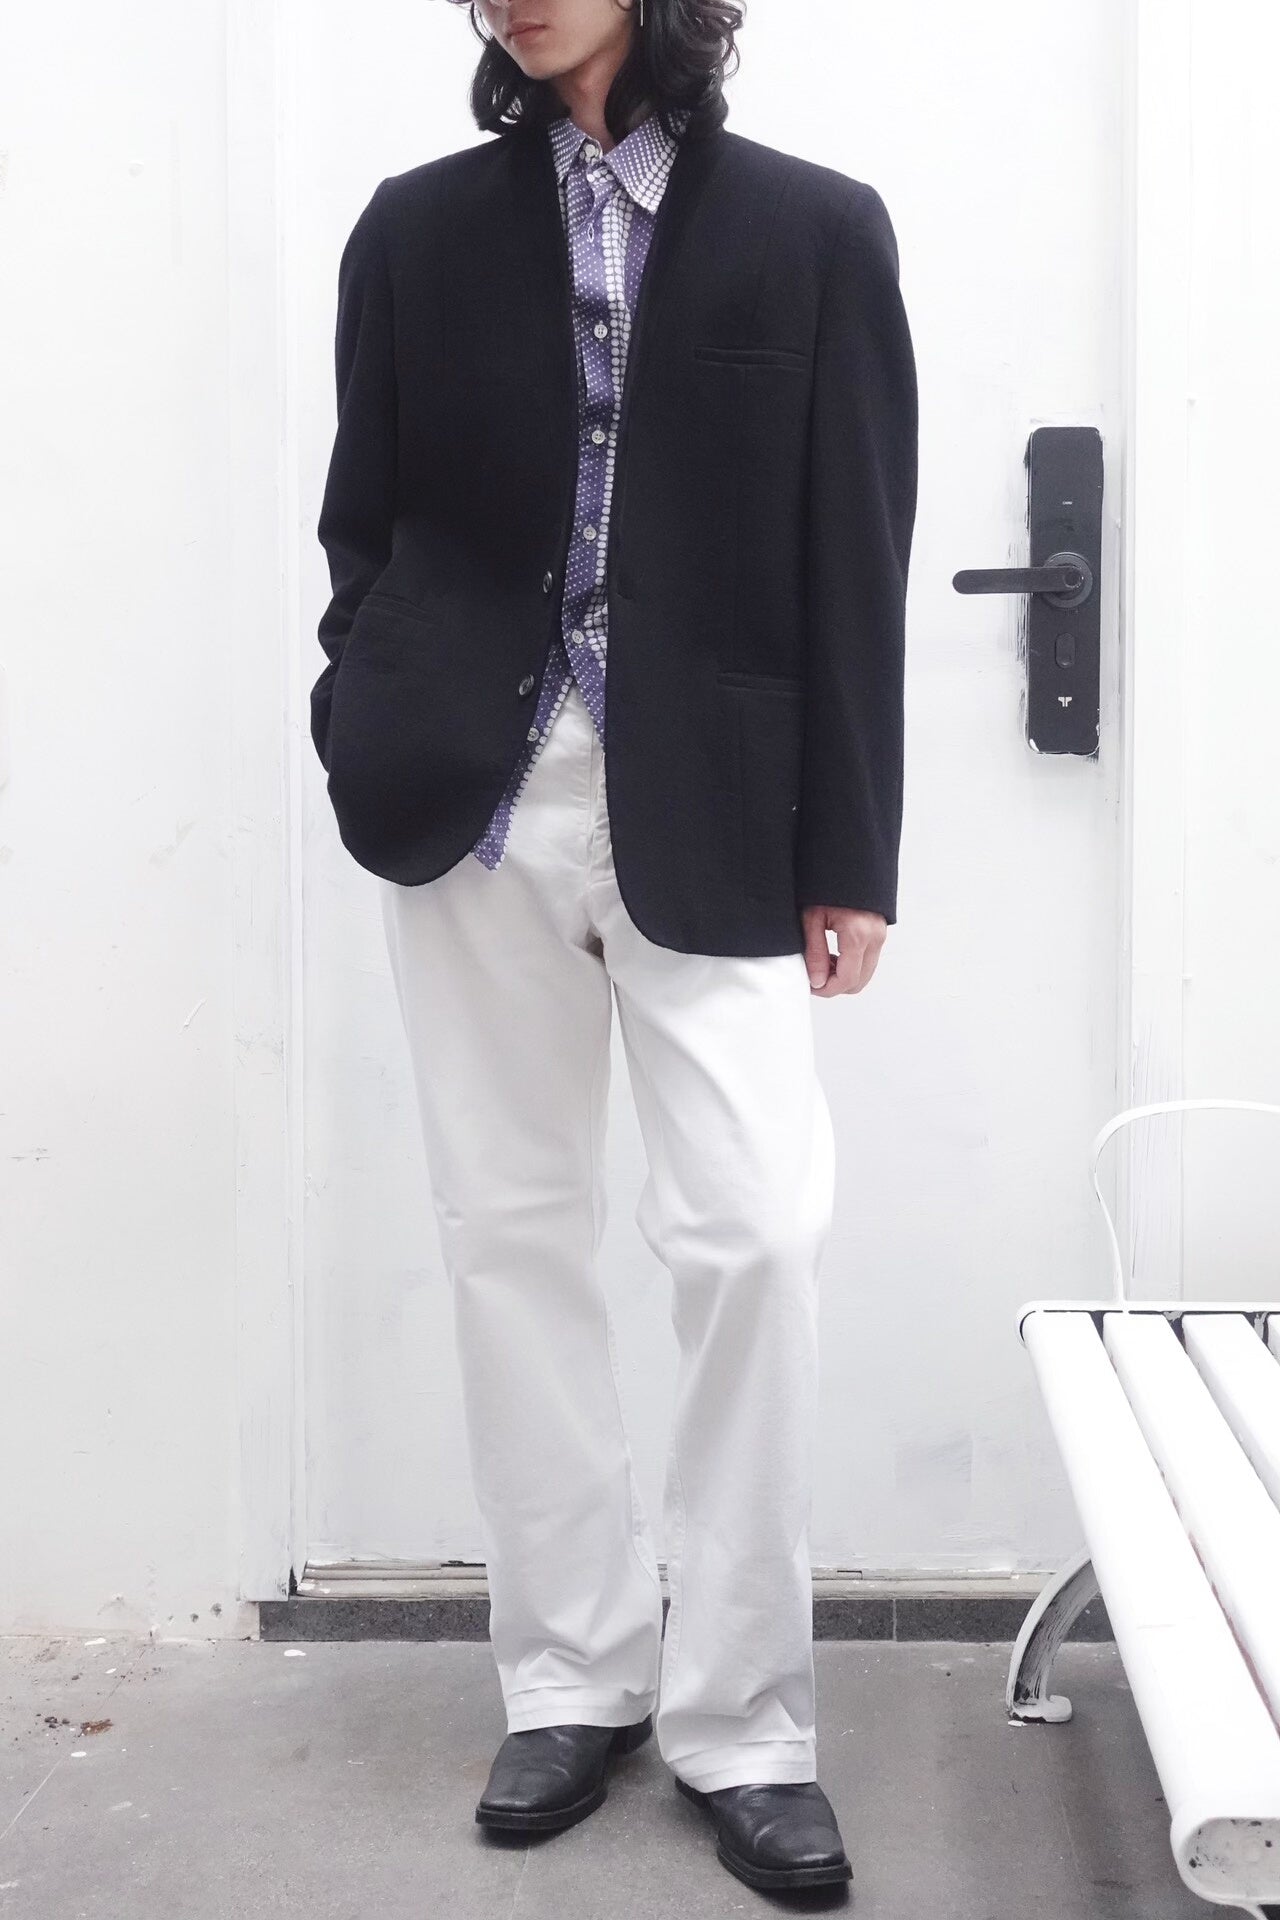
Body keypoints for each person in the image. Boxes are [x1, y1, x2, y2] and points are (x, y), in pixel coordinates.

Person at [311, 0, 918, 1893]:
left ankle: (747, 1721)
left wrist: (854, 851)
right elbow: (362, 530)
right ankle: (572, 1675)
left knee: (752, 1233)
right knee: (508, 1235)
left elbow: (856, 557)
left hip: (716, 806)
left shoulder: (815, 229)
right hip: (476, 806)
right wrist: (367, 706)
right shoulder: (414, 230)